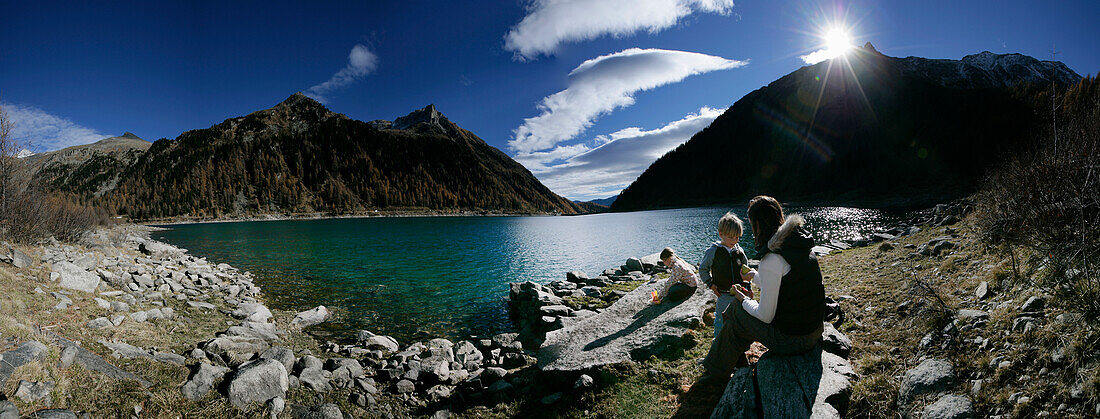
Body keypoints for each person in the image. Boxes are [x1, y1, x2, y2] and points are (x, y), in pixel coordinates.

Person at [699, 195, 826, 384]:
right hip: (814, 332)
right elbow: (781, 284)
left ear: (757, 224)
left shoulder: (771, 258)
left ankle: (716, 370)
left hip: (792, 341)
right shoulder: (800, 244)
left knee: (736, 309)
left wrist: (744, 300)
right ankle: (732, 358)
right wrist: (754, 276)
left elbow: (765, 315)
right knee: (740, 313)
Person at [698, 212, 757, 340]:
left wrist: (749, 287)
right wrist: (710, 284)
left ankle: (739, 344)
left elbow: (745, 272)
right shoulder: (713, 251)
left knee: (741, 319)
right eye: (731, 237)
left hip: (740, 293)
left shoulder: (740, 251)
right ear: (721, 234)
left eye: (737, 237)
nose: (734, 240)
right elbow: (703, 269)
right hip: (724, 294)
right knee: (721, 320)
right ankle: (718, 346)